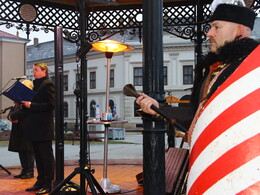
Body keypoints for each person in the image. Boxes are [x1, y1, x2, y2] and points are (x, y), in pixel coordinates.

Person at [136, 3, 259, 194]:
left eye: (217, 27)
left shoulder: (253, 71)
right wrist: (158, 108)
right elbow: (197, 113)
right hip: (208, 162)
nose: (209, 33)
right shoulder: (212, 69)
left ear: (239, 31)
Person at [22, 62, 56, 195]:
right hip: (34, 127)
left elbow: (50, 105)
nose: (33, 72)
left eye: (36, 70)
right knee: (38, 157)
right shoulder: (34, 85)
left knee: (46, 157)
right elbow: (32, 104)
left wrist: (32, 105)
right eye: (33, 70)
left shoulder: (48, 84)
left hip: (43, 127)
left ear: (44, 71)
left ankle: (48, 184)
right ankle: (40, 181)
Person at [8, 80, 34, 179]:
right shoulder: (20, 99)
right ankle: (24, 170)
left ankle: (29, 172)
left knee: (28, 151)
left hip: (27, 129)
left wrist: (14, 116)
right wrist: (11, 117)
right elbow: (12, 112)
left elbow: (26, 113)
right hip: (19, 130)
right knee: (21, 150)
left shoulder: (30, 99)